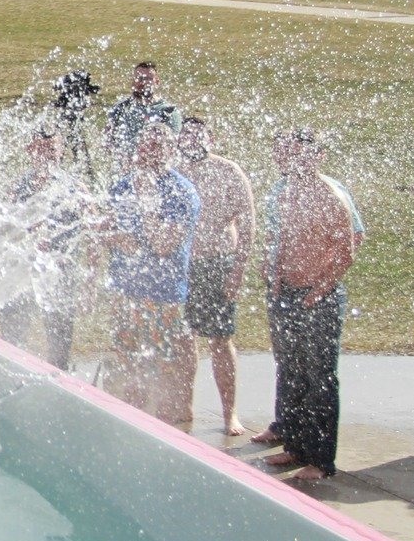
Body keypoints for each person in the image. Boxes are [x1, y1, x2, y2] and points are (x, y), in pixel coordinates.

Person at [254, 129, 360, 484]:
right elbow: (279, 241)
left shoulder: (331, 197)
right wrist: (275, 276)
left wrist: (321, 289)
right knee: (293, 372)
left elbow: (347, 252)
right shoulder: (286, 194)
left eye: (306, 155)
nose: (299, 161)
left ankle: (321, 459)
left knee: (320, 379)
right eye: (295, 155)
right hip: (286, 293)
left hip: (320, 297)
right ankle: (296, 446)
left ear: (319, 157)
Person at [97, 122, 202, 428]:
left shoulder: (182, 192)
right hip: (126, 293)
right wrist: (114, 237)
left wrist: (146, 205)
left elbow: (164, 245)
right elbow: (104, 233)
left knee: (162, 372)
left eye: (158, 145)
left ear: (172, 150)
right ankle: (133, 427)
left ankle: (164, 432)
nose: (149, 151)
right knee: (128, 367)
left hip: (163, 297)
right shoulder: (122, 186)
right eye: (145, 144)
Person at [177, 116, 256, 437]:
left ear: (211, 138)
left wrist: (238, 270)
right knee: (183, 340)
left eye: (199, 135)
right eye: (187, 135)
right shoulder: (175, 172)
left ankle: (230, 414)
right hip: (181, 268)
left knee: (221, 341)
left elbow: (248, 223)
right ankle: (184, 405)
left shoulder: (228, 171)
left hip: (218, 263)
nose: (192, 140)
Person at [0, 126, 93, 367]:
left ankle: (58, 380)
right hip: (24, 271)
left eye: (52, 149)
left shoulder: (76, 189)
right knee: (13, 334)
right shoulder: (17, 188)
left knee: (59, 339)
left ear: (61, 151)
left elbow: (93, 234)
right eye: (41, 148)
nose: (47, 154)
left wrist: (90, 282)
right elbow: (4, 233)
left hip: (61, 271)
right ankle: (11, 378)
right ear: (30, 150)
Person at [104, 61, 181, 169]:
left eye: (148, 79)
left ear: (157, 82)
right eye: (139, 78)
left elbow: (173, 147)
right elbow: (108, 143)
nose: (143, 82)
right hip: (123, 170)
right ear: (133, 82)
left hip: (156, 170)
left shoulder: (168, 111)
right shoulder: (120, 108)